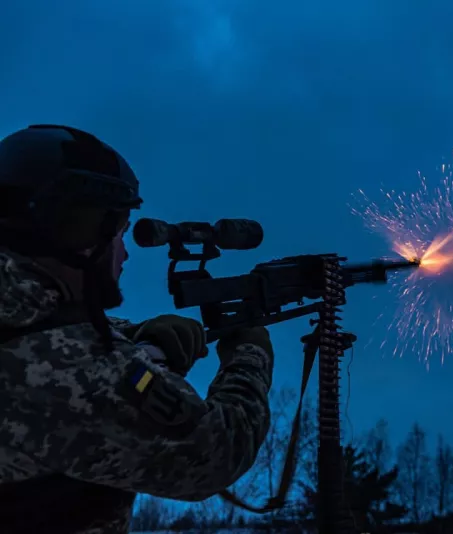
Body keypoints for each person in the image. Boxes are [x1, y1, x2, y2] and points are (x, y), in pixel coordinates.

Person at [0, 125, 274, 533]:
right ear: (80, 233)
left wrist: (138, 334)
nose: (124, 252)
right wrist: (250, 353)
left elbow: (51, 329)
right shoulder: (72, 373)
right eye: (119, 233)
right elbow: (216, 452)